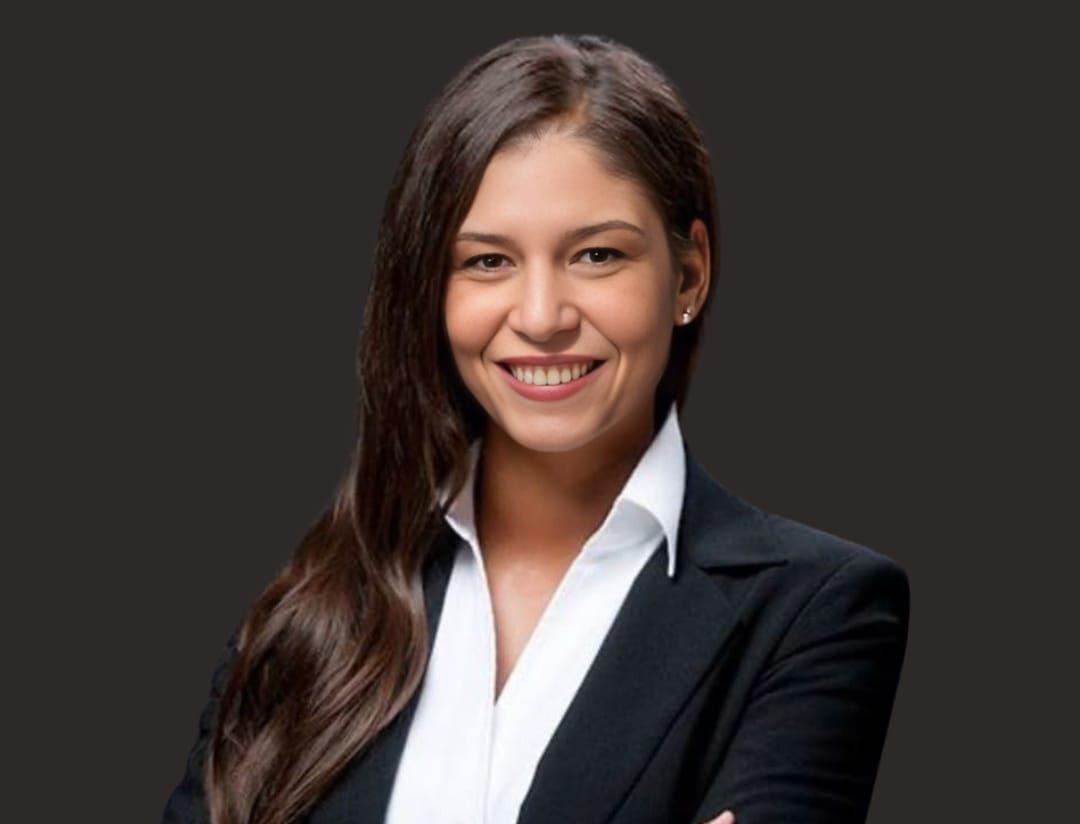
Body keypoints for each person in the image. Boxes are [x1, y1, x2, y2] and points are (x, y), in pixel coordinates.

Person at [162, 33, 909, 824]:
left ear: (688, 274)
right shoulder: (315, 612)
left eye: (597, 255)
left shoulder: (815, 612)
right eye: (487, 262)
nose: (543, 317)